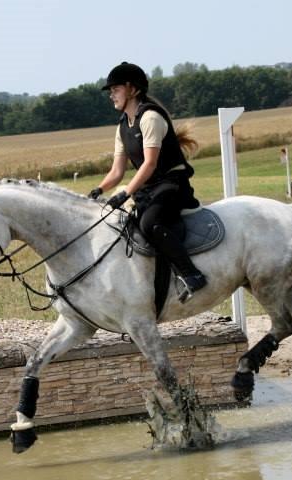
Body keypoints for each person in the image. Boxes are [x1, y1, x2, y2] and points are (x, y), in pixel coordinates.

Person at [88, 61, 207, 302]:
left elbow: (150, 164)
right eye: (110, 91)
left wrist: (124, 194)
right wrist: (98, 190)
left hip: (173, 184)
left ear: (132, 89)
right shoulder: (122, 126)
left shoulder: (150, 117)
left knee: (150, 223)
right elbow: (117, 171)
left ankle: (192, 275)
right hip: (150, 188)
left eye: (115, 89)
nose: (111, 95)